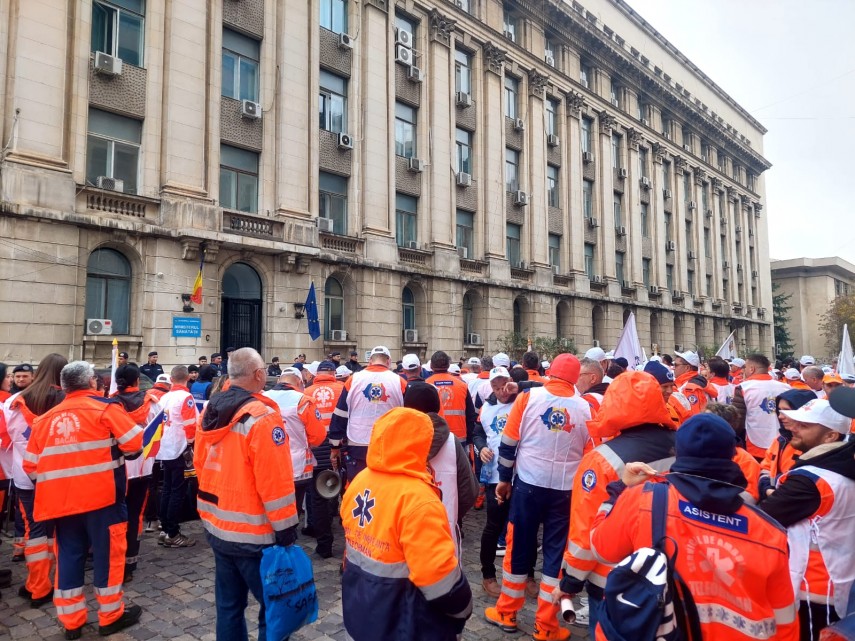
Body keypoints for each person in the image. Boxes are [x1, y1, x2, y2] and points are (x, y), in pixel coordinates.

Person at [579, 414, 798, 641]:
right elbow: (785, 623)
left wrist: (618, 490)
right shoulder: (770, 532)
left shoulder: (644, 501)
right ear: (733, 455)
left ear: (678, 452)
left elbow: (601, 548)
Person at [24, 361, 144, 639]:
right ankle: (110, 616)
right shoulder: (105, 409)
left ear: (65, 386)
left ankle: (72, 622)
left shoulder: (43, 420)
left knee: (68, 557)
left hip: (61, 504)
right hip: (103, 501)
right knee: (108, 557)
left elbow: (31, 468)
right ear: (92, 382)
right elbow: (134, 444)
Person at [194, 347, 300, 641]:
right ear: (259, 374)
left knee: (229, 607)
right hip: (255, 534)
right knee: (275, 608)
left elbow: (200, 464)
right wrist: (286, 528)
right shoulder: (262, 417)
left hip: (218, 525)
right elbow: (274, 480)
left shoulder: (209, 411)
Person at [340, 407, 473, 641]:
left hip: (361, 610)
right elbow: (440, 581)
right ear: (421, 444)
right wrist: (463, 608)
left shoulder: (359, 480)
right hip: (404, 620)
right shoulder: (418, 499)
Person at [560, 370, 677, 634]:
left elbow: (585, 534)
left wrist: (571, 581)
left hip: (614, 579)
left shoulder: (602, 460)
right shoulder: (683, 445)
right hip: (671, 572)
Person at [485, 354, 591, 641]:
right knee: (556, 555)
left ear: (551, 372)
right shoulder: (585, 408)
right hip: (565, 491)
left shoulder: (527, 399)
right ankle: (546, 625)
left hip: (528, 485)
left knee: (517, 546)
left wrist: (503, 480)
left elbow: (508, 444)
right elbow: (590, 454)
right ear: (575, 377)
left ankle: (507, 612)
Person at [760, 397, 855, 639]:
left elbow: (762, 519)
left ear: (830, 436)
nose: (793, 427)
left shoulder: (812, 481)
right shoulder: (842, 464)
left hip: (812, 588)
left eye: (804, 425)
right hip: (837, 580)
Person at [3, 353, 67, 607]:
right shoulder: (64, 401)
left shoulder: (14, 401)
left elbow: (9, 439)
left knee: (35, 530)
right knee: (59, 531)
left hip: (25, 475)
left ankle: (37, 584)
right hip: (58, 476)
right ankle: (54, 583)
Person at [474, 366, 539, 599]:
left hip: (523, 474)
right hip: (496, 476)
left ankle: (528, 574)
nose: (501, 390)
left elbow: (546, 387)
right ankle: (488, 575)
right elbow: (478, 432)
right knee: (493, 526)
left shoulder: (525, 399)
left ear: (510, 381)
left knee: (526, 526)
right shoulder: (487, 407)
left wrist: (519, 387)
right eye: (495, 386)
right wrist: (481, 447)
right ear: (490, 387)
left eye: (504, 384)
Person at [403, 382, 478, 552]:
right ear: (438, 407)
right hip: (443, 533)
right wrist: (452, 514)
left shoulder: (391, 440)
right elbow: (469, 491)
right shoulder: (452, 443)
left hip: (402, 533)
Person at [263, 369, 326, 549]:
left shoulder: (261, 398)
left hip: (267, 464)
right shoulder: (303, 401)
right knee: (292, 511)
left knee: (269, 508)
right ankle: (286, 546)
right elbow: (318, 436)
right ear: (299, 383)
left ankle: (269, 543)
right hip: (297, 467)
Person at [111, 364, 162, 581]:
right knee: (135, 515)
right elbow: (158, 434)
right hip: (142, 467)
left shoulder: (109, 404)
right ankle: (129, 563)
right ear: (138, 381)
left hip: (116, 466)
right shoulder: (152, 404)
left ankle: (111, 559)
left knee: (114, 515)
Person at [329, 346, 407, 480]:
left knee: (359, 484)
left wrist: (335, 447)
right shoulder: (400, 382)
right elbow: (409, 417)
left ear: (370, 361)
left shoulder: (353, 380)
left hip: (358, 443)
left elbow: (340, 414)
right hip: (389, 445)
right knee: (386, 484)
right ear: (388, 361)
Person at [304, 360, 345, 555]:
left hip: (317, 448)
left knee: (318, 496)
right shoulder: (343, 389)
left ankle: (324, 545)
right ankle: (352, 536)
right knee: (347, 490)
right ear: (334, 373)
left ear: (316, 374)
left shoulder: (306, 392)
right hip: (340, 446)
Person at [155, 366, 198, 548]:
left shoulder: (164, 397)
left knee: (167, 489)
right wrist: (190, 443)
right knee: (177, 491)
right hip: (179, 448)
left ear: (171, 379)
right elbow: (190, 424)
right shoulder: (186, 397)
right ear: (187, 378)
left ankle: (165, 528)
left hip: (165, 447)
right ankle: (172, 532)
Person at [758, 389, 816, 500]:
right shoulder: (780, 440)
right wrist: (767, 489)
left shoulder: (813, 444)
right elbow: (765, 467)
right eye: (779, 410)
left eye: (787, 410)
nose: (780, 416)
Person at [732, 353, 790, 459]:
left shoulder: (743, 388)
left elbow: (738, 420)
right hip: (784, 444)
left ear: (751, 369)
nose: (743, 370)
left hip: (756, 445)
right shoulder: (786, 387)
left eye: (745, 367)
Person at [426, 351, 477, 445]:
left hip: (434, 437)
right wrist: (470, 439)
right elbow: (470, 415)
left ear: (431, 366)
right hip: (458, 437)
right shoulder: (462, 385)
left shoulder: (425, 385)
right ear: (448, 365)